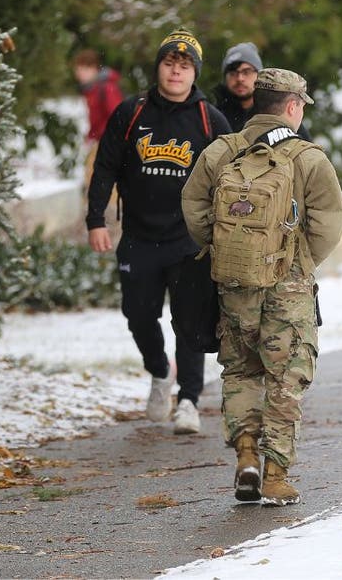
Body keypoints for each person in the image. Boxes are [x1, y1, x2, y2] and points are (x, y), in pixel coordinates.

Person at [181, 68, 342, 506]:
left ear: (257, 102)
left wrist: (223, 248)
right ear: (293, 107)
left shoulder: (223, 150)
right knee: (286, 375)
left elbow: (193, 204)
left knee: (241, 370)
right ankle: (274, 474)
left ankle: (247, 456)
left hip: (235, 282)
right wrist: (297, 260)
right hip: (287, 287)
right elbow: (329, 225)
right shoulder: (308, 158)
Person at [87, 28, 232, 434]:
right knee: (138, 315)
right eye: (169, 63)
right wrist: (96, 220)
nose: (175, 72)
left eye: (184, 66)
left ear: (194, 74)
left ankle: (188, 399)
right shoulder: (131, 112)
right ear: (159, 68)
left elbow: (230, 178)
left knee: (189, 322)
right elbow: (105, 168)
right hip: (138, 236)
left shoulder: (210, 120)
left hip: (189, 240)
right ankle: (158, 372)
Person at [212, 41, 313, 139]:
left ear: (259, 74)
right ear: (225, 77)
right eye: (233, 73)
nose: (240, 78)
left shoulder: (277, 111)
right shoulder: (212, 116)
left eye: (246, 72)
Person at [72, 49, 125, 189]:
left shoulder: (106, 88)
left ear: (95, 69)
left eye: (84, 69)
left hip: (108, 142)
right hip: (99, 140)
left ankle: (105, 209)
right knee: (94, 180)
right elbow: (97, 118)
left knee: (99, 182)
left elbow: (118, 116)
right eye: (78, 69)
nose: (80, 73)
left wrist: (110, 140)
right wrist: (91, 135)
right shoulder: (92, 88)